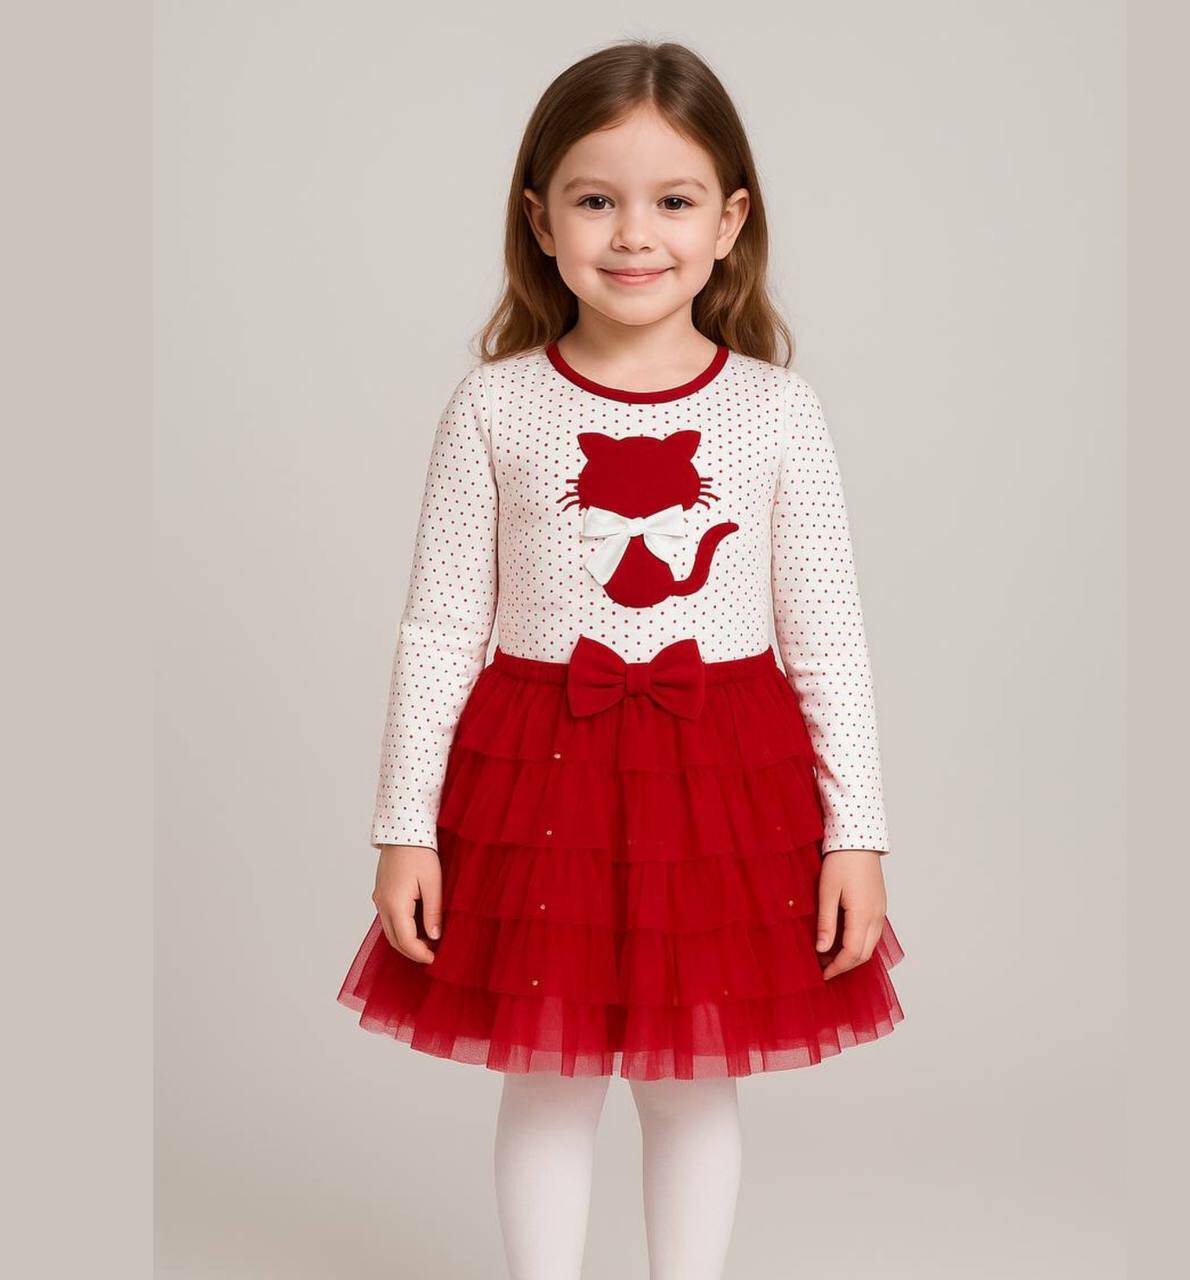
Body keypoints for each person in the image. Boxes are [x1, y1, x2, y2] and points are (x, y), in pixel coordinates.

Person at [337, 39, 906, 1280]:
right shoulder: (493, 404)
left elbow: (827, 636)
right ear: (539, 220)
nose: (634, 233)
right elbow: (438, 625)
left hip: (722, 784)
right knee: (545, 1075)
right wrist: (403, 825)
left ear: (729, 220)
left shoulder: (774, 409)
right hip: (537, 778)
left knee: (689, 1081)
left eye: (673, 199)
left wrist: (855, 831)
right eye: (595, 199)